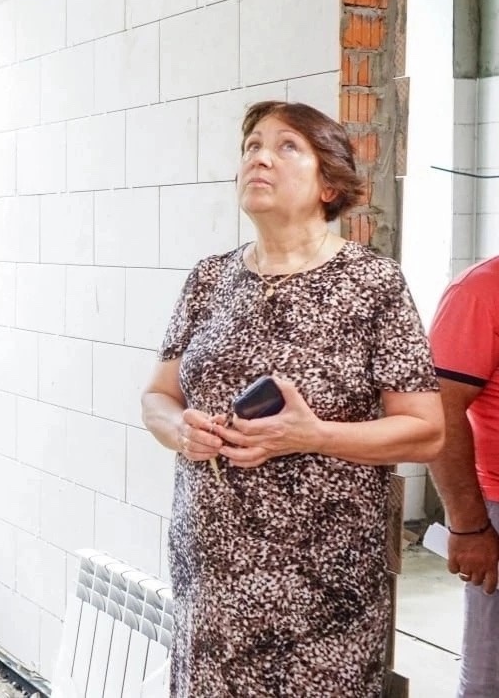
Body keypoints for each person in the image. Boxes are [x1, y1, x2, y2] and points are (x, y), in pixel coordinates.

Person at [140, 100, 443, 696]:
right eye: (252, 146)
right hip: (213, 582)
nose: (260, 158)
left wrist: (313, 435)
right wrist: (180, 429)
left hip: (324, 594)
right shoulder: (209, 279)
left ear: (329, 185)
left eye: (286, 147)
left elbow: (426, 430)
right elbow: (157, 396)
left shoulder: (373, 283)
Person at [427, 257, 499, 697]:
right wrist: (469, 526)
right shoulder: (480, 291)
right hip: (496, 507)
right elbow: (441, 411)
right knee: (490, 680)